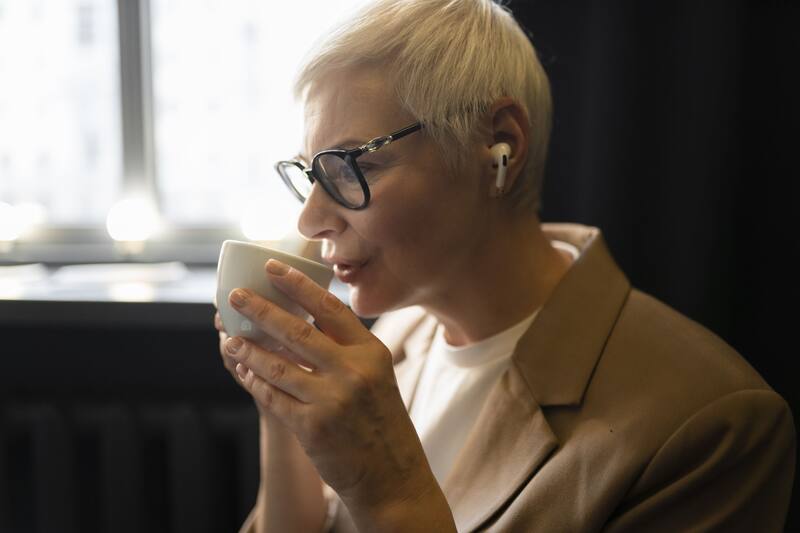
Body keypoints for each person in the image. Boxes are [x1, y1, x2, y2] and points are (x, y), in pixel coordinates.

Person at [213, 0, 796, 531]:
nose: (310, 221)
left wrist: (388, 492)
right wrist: (284, 414)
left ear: (500, 147)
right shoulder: (396, 337)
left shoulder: (711, 427)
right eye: (311, 174)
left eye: (348, 167)